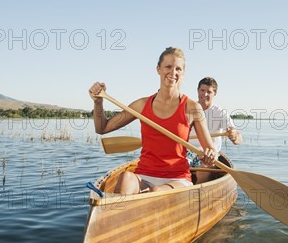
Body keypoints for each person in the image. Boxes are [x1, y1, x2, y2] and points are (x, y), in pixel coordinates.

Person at [88, 47, 217, 195]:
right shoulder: (141, 105)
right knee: (126, 177)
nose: (173, 73)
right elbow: (102, 128)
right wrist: (98, 103)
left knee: (156, 191)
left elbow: (211, 152)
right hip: (144, 176)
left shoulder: (193, 108)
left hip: (177, 179)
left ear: (183, 73)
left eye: (178, 69)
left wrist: (210, 156)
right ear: (158, 69)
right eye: (168, 67)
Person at [187, 77, 242, 183]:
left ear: (214, 93)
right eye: (202, 90)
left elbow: (238, 138)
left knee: (202, 171)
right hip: (189, 152)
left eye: (209, 92)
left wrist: (234, 136)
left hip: (210, 154)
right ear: (198, 91)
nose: (205, 94)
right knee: (173, 166)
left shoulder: (220, 113)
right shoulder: (188, 109)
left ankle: (196, 196)